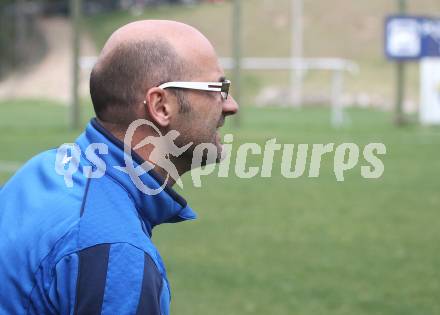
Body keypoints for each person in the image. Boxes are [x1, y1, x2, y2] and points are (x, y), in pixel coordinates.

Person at [0, 20, 238, 315]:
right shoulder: (115, 251)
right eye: (217, 88)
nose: (231, 105)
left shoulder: (46, 168)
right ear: (162, 106)